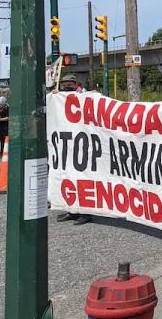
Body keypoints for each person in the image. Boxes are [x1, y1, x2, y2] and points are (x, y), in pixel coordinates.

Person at [55, 76, 92, 224]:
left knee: (83, 179)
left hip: (83, 144)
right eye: (64, 85)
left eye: (69, 85)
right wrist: (56, 96)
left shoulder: (84, 95)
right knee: (68, 178)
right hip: (68, 143)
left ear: (76, 84)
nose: (66, 87)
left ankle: (86, 213)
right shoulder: (62, 96)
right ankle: (71, 210)